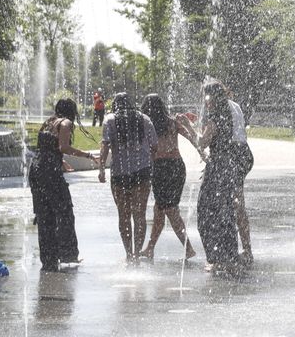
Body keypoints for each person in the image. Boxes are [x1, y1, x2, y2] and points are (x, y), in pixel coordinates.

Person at [30, 98, 95, 272]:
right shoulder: (65, 123)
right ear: (72, 111)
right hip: (50, 171)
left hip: (36, 169)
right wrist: (87, 155)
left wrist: (61, 162)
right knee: (64, 211)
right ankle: (68, 254)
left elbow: (46, 148)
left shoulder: (49, 122)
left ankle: (48, 258)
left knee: (44, 214)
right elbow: (63, 147)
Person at [137, 94, 204, 260]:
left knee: (170, 210)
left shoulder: (147, 125)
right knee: (159, 209)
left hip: (160, 168)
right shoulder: (172, 122)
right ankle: (150, 248)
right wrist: (202, 152)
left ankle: (188, 248)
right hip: (176, 167)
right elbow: (191, 138)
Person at [98, 92, 155, 261]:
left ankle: (129, 254)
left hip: (120, 174)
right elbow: (155, 146)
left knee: (123, 216)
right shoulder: (144, 119)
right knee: (140, 215)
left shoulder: (110, 120)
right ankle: (137, 252)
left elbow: (105, 146)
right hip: (142, 173)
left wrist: (101, 169)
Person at [194, 80, 242, 274]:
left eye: (205, 96)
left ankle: (215, 259)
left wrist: (188, 127)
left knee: (205, 213)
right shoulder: (227, 113)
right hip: (228, 167)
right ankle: (230, 259)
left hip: (217, 169)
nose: (204, 101)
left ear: (211, 97)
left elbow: (202, 142)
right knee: (226, 212)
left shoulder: (214, 116)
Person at [226, 94, 255, 264]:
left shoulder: (219, 107)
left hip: (234, 154)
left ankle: (240, 250)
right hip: (244, 152)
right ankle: (246, 248)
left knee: (234, 204)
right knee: (236, 203)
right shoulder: (235, 105)